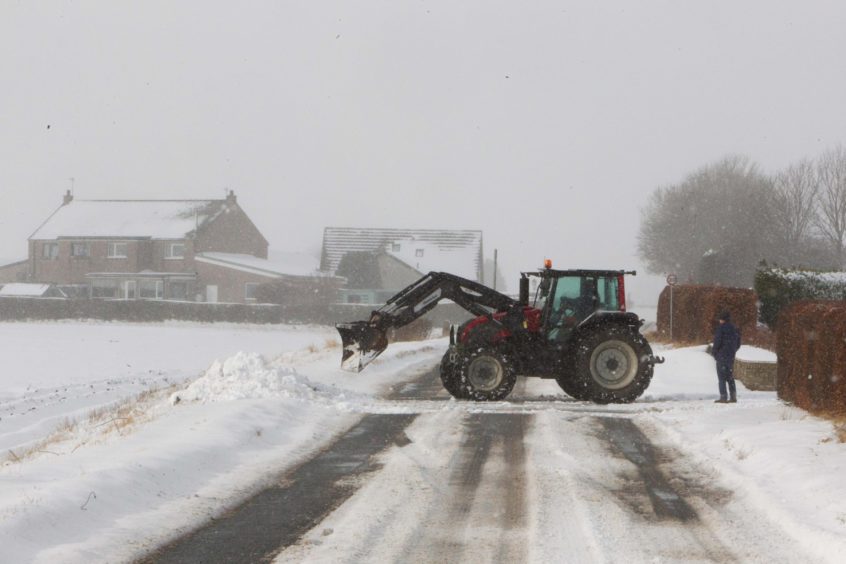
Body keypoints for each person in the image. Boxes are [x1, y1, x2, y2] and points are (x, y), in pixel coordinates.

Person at [712, 310, 741, 403]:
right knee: (730, 377)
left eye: (720, 319)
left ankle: (723, 397)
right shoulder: (735, 329)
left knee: (721, 378)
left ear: (722, 319)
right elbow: (738, 343)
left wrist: (715, 352)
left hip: (721, 356)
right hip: (730, 357)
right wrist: (732, 351)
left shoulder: (721, 329)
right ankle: (733, 396)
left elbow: (717, 342)